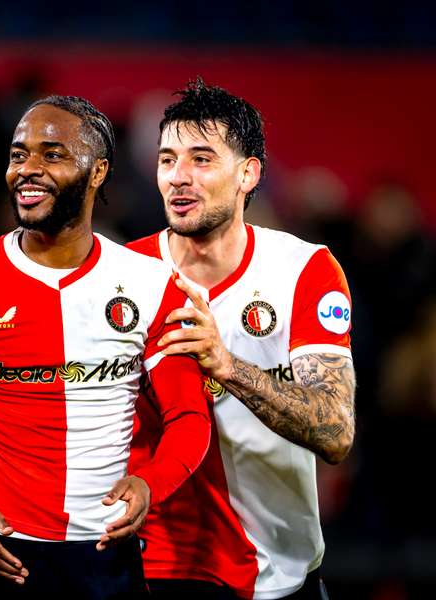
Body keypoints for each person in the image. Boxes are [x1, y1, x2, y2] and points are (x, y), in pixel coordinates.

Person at [0, 95, 212, 599]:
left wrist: (153, 483)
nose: (28, 169)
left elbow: (189, 418)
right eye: (19, 154)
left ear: (97, 172)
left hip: (102, 559)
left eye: (52, 154)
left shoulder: (152, 285)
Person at [127, 79, 356, 599]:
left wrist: (225, 365)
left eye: (202, 159)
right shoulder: (121, 276)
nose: (178, 177)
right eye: (167, 160)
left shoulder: (304, 271)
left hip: (279, 574)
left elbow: (336, 432)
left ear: (248, 174)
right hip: (158, 568)